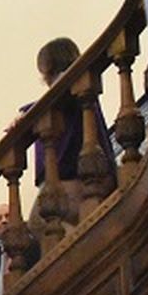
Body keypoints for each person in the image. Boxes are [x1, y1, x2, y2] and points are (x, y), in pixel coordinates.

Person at [29, 37, 114, 229]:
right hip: (69, 174)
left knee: (46, 217)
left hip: (77, 174)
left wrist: (27, 113)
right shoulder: (74, 85)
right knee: (43, 221)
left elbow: (58, 95)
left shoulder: (72, 83)